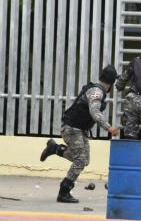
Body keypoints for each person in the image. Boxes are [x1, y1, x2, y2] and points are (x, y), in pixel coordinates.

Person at [40, 65, 120, 203]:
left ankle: (55, 148)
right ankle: (64, 191)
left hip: (78, 129)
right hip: (72, 128)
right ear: (111, 84)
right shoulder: (97, 92)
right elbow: (94, 112)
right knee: (80, 160)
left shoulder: (95, 89)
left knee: (85, 160)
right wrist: (109, 128)